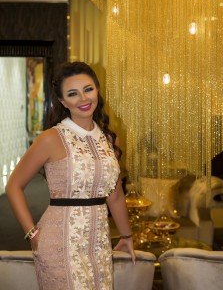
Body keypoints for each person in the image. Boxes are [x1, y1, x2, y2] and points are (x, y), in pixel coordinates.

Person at [6, 61, 135, 290]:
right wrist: (32, 234)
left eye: (88, 89)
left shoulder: (108, 139)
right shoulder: (50, 138)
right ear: (63, 101)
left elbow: (114, 196)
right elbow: (14, 185)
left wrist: (126, 236)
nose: (83, 99)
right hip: (58, 243)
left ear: (97, 89)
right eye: (73, 94)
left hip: (99, 244)